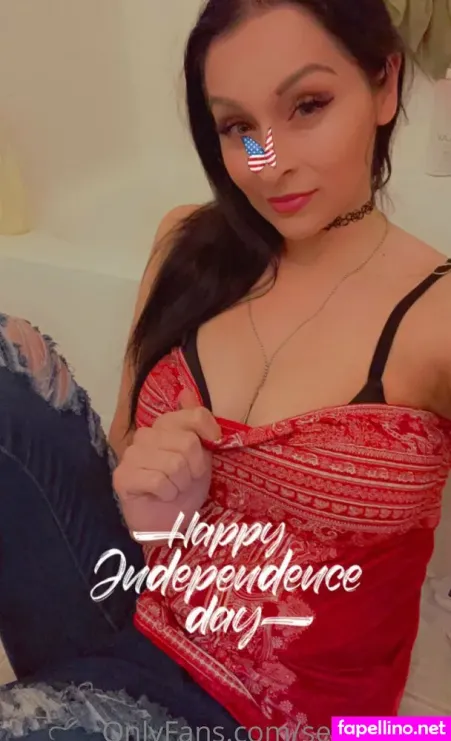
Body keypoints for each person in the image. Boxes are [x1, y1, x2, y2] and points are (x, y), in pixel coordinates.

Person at [1, 0, 451, 738]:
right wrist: (148, 510)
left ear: (384, 85)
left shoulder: (436, 317)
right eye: (238, 126)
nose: (267, 163)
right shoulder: (187, 242)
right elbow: (121, 451)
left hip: (269, 718)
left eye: (307, 106)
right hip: (129, 597)